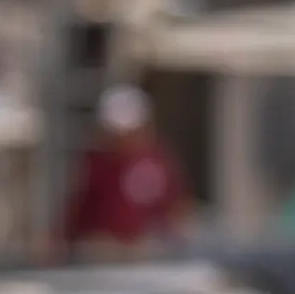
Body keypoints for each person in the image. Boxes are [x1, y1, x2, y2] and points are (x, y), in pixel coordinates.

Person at [58, 83, 194, 252]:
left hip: (148, 258)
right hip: (102, 259)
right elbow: (78, 213)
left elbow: (176, 209)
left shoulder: (158, 163)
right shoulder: (96, 163)